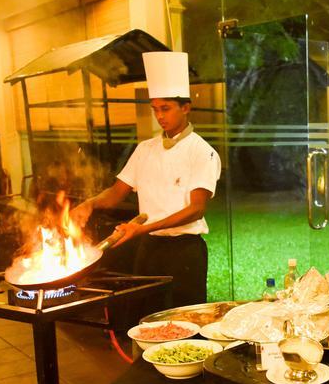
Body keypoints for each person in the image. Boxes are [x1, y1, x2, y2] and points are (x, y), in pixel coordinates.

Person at [72, 51, 221, 309]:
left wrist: (142, 228)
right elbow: (117, 192)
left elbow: (196, 210)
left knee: (183, 321)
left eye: (166, 108)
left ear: (185, 108)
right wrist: (90, 203)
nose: (160, 116)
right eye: (155, 110)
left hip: (185, 251)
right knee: (144, 318)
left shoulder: (203, 152)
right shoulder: (145, 149)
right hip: (149, 248)